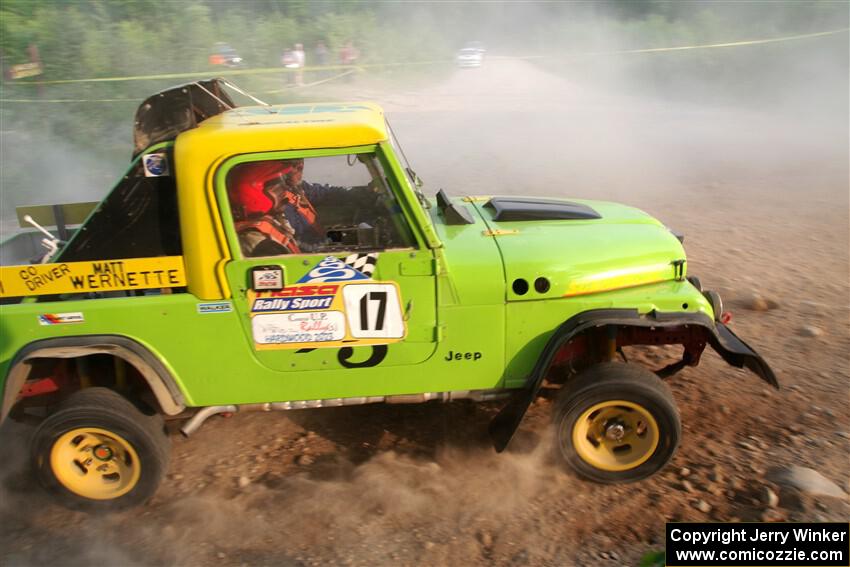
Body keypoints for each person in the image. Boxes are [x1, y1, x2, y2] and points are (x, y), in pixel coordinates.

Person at [228, 159, 374, 257]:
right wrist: (339, 240)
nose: (283, 190)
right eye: (277, 188)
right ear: (255, 194)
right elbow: (302, 252)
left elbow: (324, 193)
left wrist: (363, 193)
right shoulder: (258, 241)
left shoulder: (279, 212)